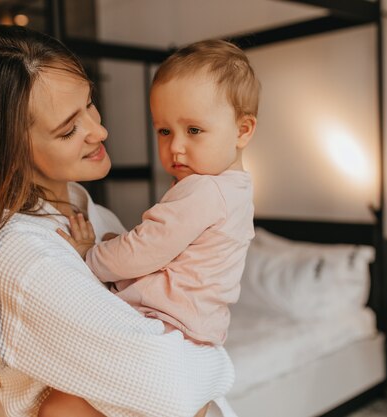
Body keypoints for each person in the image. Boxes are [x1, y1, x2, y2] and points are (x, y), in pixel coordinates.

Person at [0, 24, 236, 417]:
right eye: (68, 130)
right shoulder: (22, 259)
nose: (100, 130)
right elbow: (173, 389)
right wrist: (215, 359)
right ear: (5, 154)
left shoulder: (86, 211)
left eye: (90, 104)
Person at [40, 39, 259, 417]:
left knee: (62, 404)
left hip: (168, 326)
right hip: (193, 328)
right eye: (163, 131)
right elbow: (161, 246)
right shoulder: (233, 190)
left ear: (242, 130)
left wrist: (89, 256)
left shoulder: (203, 191)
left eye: (193, 130)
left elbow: (143, 251)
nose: (175, 147)